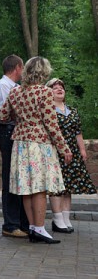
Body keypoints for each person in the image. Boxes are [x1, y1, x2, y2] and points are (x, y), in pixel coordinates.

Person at [0, 56, 73, 244]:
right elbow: (51, 124)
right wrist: (65, 149)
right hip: (39, 143)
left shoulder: (15, 92)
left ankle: (32, 228)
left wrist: (21, 117)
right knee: (39, 188)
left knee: (27, 188)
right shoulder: (44, 92)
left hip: (20, 144)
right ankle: (39, 228)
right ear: (43, 72)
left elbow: (1, 115)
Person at [46, 78, 97, 233]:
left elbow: (78, 133)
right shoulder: (48, 111)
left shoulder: (72, 111)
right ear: (49, 92)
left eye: (61, 87)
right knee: (57, 187)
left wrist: (82, 150)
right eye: (55, 87)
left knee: (69, 187)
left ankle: (66, 219)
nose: (59, 89)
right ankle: (57, 220)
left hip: (73, 153)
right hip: (56, 153)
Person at [0, 55, 29, 238]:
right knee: (10, 177)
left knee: (19, 176)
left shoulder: (15, 87)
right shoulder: (3, 85)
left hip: (16, 131)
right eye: (23, 68)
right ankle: (10, 223)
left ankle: (22, 221)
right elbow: (9, 111)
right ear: (18, 67)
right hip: (8, 131)